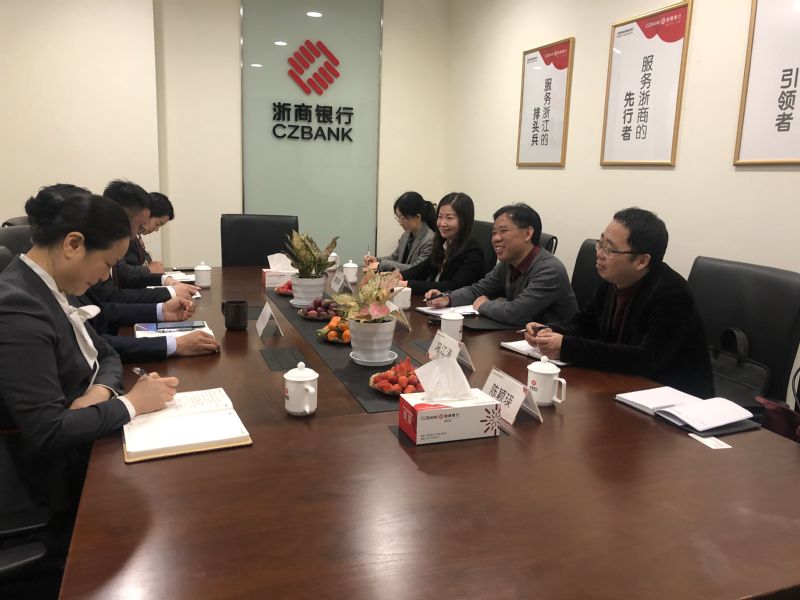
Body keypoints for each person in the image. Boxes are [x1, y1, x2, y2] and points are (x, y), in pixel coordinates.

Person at [0, 188, 178, 515]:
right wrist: (132, 403)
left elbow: (107, 354)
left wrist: (98, 393)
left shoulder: (52, 285)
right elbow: (49, 431)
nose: (106, 276)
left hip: (87, 435)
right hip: (50, 480)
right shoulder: (17, 307)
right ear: (73, 244)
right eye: (108, 263)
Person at [525, 207, 714, 398]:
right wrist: (548, 331)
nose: (599, 253)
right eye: (600, 243)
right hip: (621, 386)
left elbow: (646, 359)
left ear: (641, 261)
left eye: (609, 249)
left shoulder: (672, 294)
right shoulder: (614, 279)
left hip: (675, 399)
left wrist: (567, 347)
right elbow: (585, 323)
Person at [426, 203, 577, 326]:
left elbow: (516, 313)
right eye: (494, 233)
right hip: (522, 339)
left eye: (503, 231)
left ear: (528, 234)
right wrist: (447, 299)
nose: (496, 238)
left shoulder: (549, 269)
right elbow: (478, 290)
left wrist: (483, 305)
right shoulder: (508, 263)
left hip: (554, 347)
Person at [399, 192, 484, 295]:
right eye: (440, 217)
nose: (442, 223)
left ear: (464, 221)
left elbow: (454, 286)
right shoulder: (444, 244)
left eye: (449, 218)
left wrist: (407, 284)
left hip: (453, 304)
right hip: (433, 301)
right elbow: (421, 269)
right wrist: (400, 276)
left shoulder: (473, 253)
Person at [364, 191, 436, 272]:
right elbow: (395, 257)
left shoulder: (430, 240)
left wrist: (382, 264)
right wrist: (376, 260)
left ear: (417, 217)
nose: (400, 223)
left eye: (403, 218)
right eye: (398, 218)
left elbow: (416, 270)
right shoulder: (406, 235)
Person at [124, 191, 174, 273]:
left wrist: (147, 264)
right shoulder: (126, 234)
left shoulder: (136, 235)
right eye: (157, 224)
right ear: (147, 214)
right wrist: (148, 269)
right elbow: (122, 272)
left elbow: (146, 256)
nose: (156, 229)